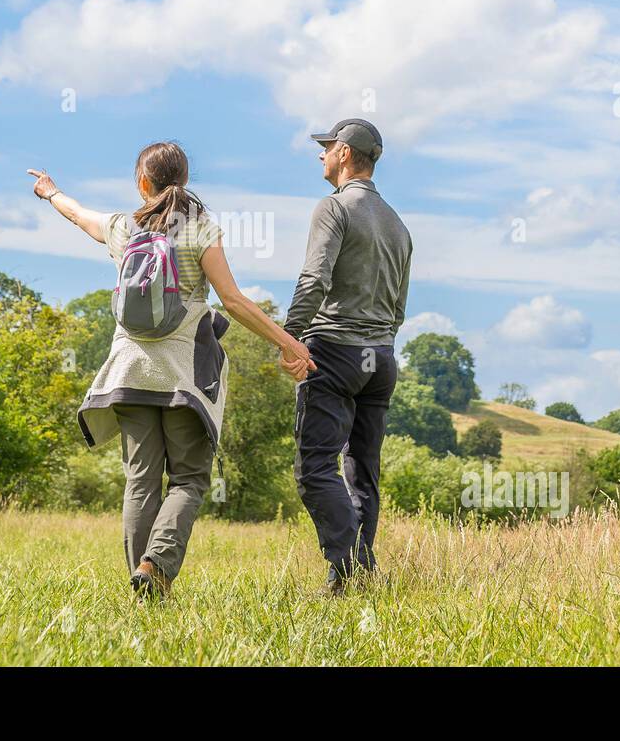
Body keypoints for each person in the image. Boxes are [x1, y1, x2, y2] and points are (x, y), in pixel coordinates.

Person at [28, 142, 313, 599]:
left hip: (129, 373)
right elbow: (234, 302)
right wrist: (289, 342)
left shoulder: (124, 227)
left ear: (143, 182)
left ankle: (143, 585)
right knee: (189, 479)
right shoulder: (200, 229)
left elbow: (78, 214)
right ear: (184, 180)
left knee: (140, 481)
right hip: (183, 378)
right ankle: (155, 567)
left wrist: (50, 191)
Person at [281, 118, 412, 595]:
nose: (321, 155)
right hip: (381, 358)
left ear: (344, 153)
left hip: (334, 351)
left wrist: (290, 337)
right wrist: (380, 341)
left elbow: (314, 279)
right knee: (363, 470)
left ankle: (352, 566)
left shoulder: (333, 209)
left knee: (315, 468)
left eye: (326, 147)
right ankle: (349, 577)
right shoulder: (398, 223)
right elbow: (399, 305)